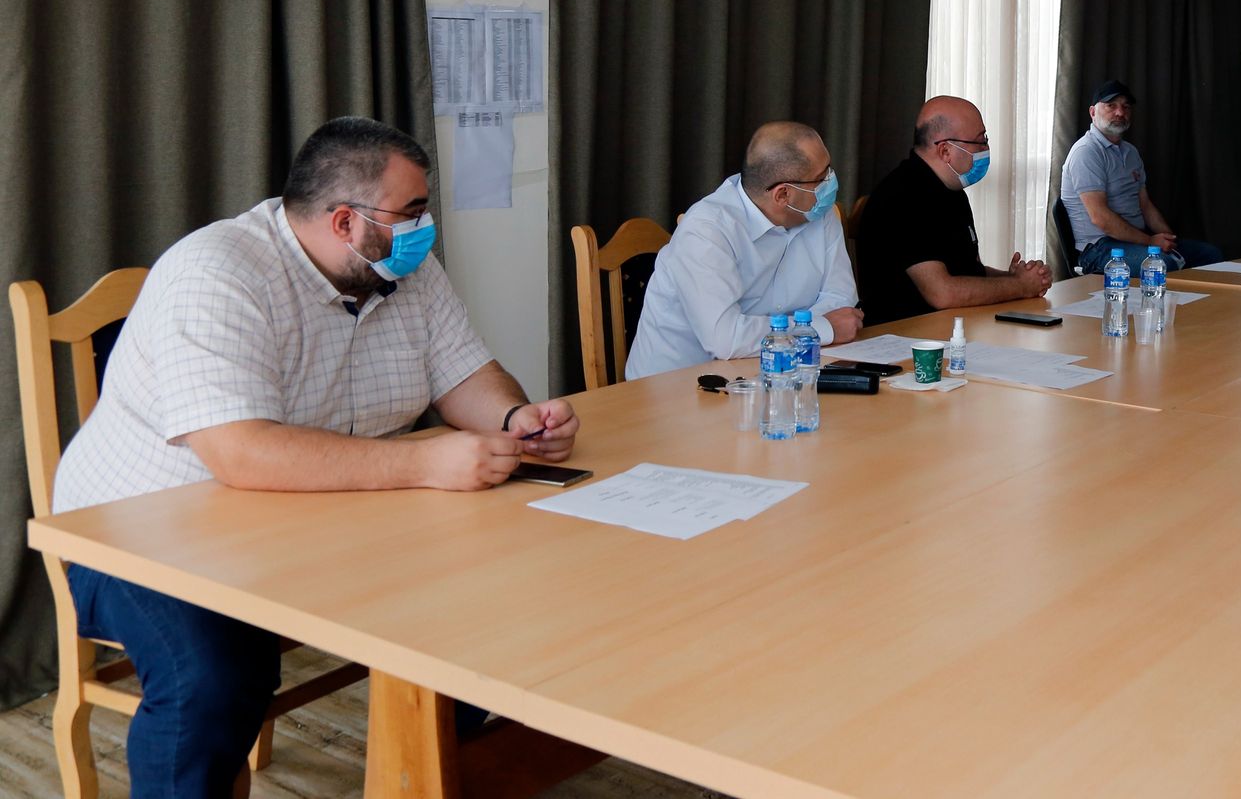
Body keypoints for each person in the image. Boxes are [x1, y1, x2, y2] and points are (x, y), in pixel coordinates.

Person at [50, 117, 581, 797]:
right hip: (137, 533)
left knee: (485, 587)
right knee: (212, 677)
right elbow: (242, 453)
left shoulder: (401, 268)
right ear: (344, 221)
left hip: (317, 513)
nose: (425, 228)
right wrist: (426, 464)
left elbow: (465, 374)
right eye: (412, 211)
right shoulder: (216, 271)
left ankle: (433, 771)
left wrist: (515, 419)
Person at [625, 121, 862, 379]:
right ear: (783, 195)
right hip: (675, 386)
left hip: (776, 374)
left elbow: (840, 300)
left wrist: (781, 338)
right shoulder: (707, 230)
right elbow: (725, 339)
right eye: (822, 178)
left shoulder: (818, 212)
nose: (831, 182)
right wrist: (821, 329)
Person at [857, 95, 1052, 324]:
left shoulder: (951, 189)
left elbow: (967, 271)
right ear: (945, 151)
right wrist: (1019, 286)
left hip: (952, 326)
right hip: (905, 334)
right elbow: (943, 293)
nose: (986, 148)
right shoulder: (904, 196)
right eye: (979, 141)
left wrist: (1017, 278)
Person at [1059, 79, 1222, 274]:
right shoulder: (1086, 152)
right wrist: (1150, 241)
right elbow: (1100, 218)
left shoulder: (1130, 152)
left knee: (1210, 255)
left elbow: (1145, 205)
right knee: (1162, 265)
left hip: (1135, 240)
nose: (1120, 113)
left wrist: (1167, 238)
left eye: (1126, 107)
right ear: (1093, 112)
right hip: (1098, 248)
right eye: (1111, 106)